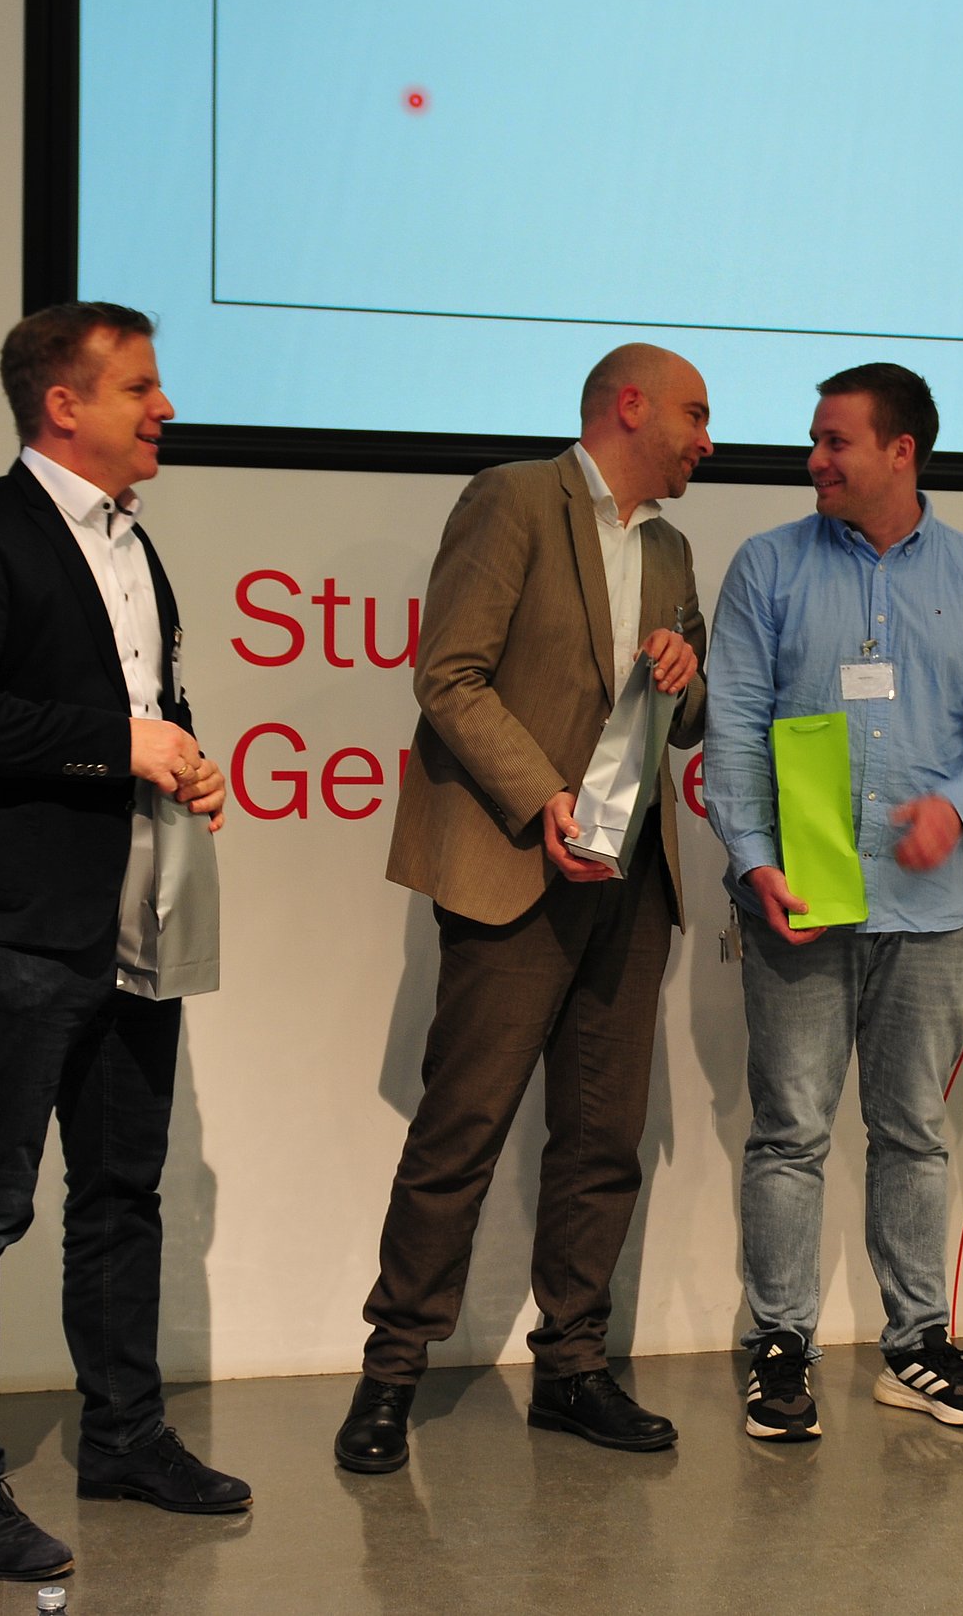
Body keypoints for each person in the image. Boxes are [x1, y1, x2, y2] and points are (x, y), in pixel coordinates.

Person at [0, 301, 245, 1583]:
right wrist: (120, 744)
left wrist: (183, 752)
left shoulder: (134, 545)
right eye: (140, 387)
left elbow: (146, 703)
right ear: (64, 404)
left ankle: (124, 1436)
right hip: (10, 927)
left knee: (121, 1190)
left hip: (130, 918)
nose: (165, 408)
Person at [335, 344, 710, 1474]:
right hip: (516, 868)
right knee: (462, 1129)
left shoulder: (672, 547)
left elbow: (688, 723)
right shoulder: (511, 499)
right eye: (694, 414)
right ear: (630, 407)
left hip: (630, 881)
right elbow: (448, 674)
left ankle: (573, 1368)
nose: (707, 440)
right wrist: (542, 796)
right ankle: (391, 1371)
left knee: (603, 1138)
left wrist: (685, 671)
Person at [705, 362, 963, 1441]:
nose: (814, 459)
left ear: (902, 451)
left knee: (914, 1132)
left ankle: (915, 1345)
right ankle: (779, 1349)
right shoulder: (766, 566)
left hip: (927, 906)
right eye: (814, 438)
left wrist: (957, 802)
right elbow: (732, 725)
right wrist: (752, 859)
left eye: (835, 441)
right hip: (797, 900)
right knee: (789, 1133)